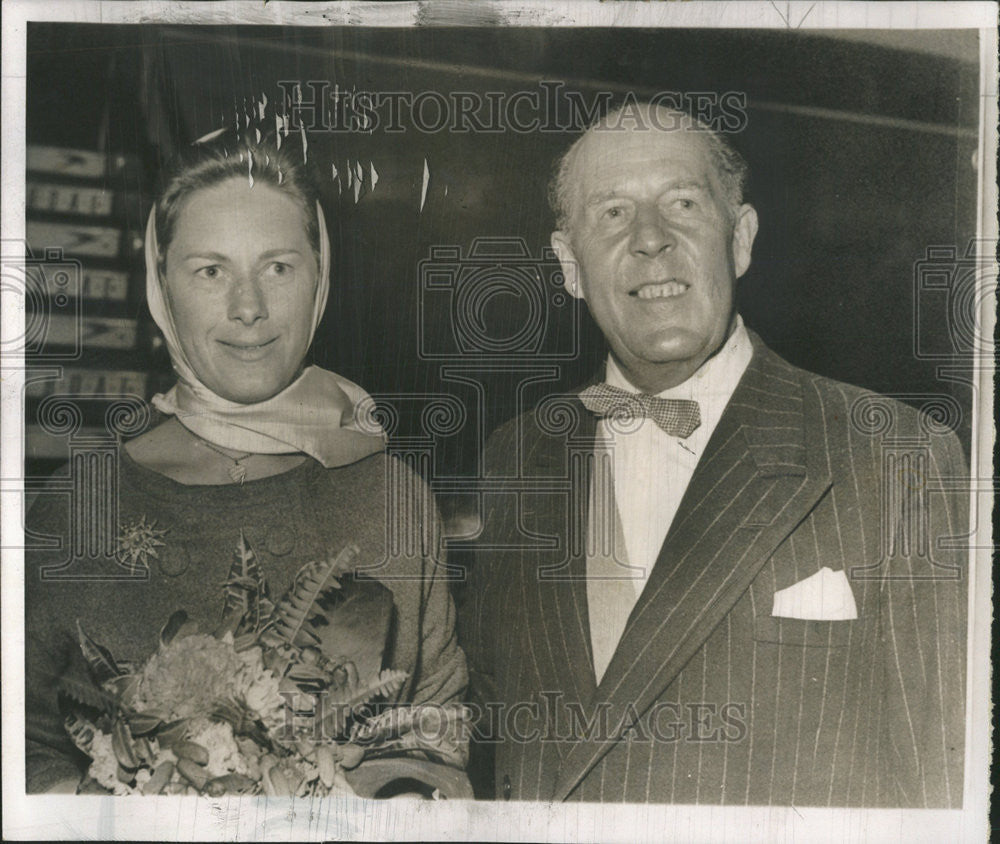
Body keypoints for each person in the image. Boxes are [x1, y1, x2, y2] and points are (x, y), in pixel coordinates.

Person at [460, 103, 968, 806]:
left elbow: (939, 785)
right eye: (612, 212)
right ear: (569, 265)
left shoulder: (895, 457)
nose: (650, 240)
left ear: (741, 239)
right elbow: (488, 732)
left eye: (683, 203)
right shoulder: (517, 458)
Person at [25, 133, 467, 793]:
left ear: (320, 277)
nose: (249, 306)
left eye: (279, 267)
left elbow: (439, 734)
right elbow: (23, 754)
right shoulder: (75, 507)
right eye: (211, 270)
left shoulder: (395, 498)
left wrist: (390, 801)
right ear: (161, 285)